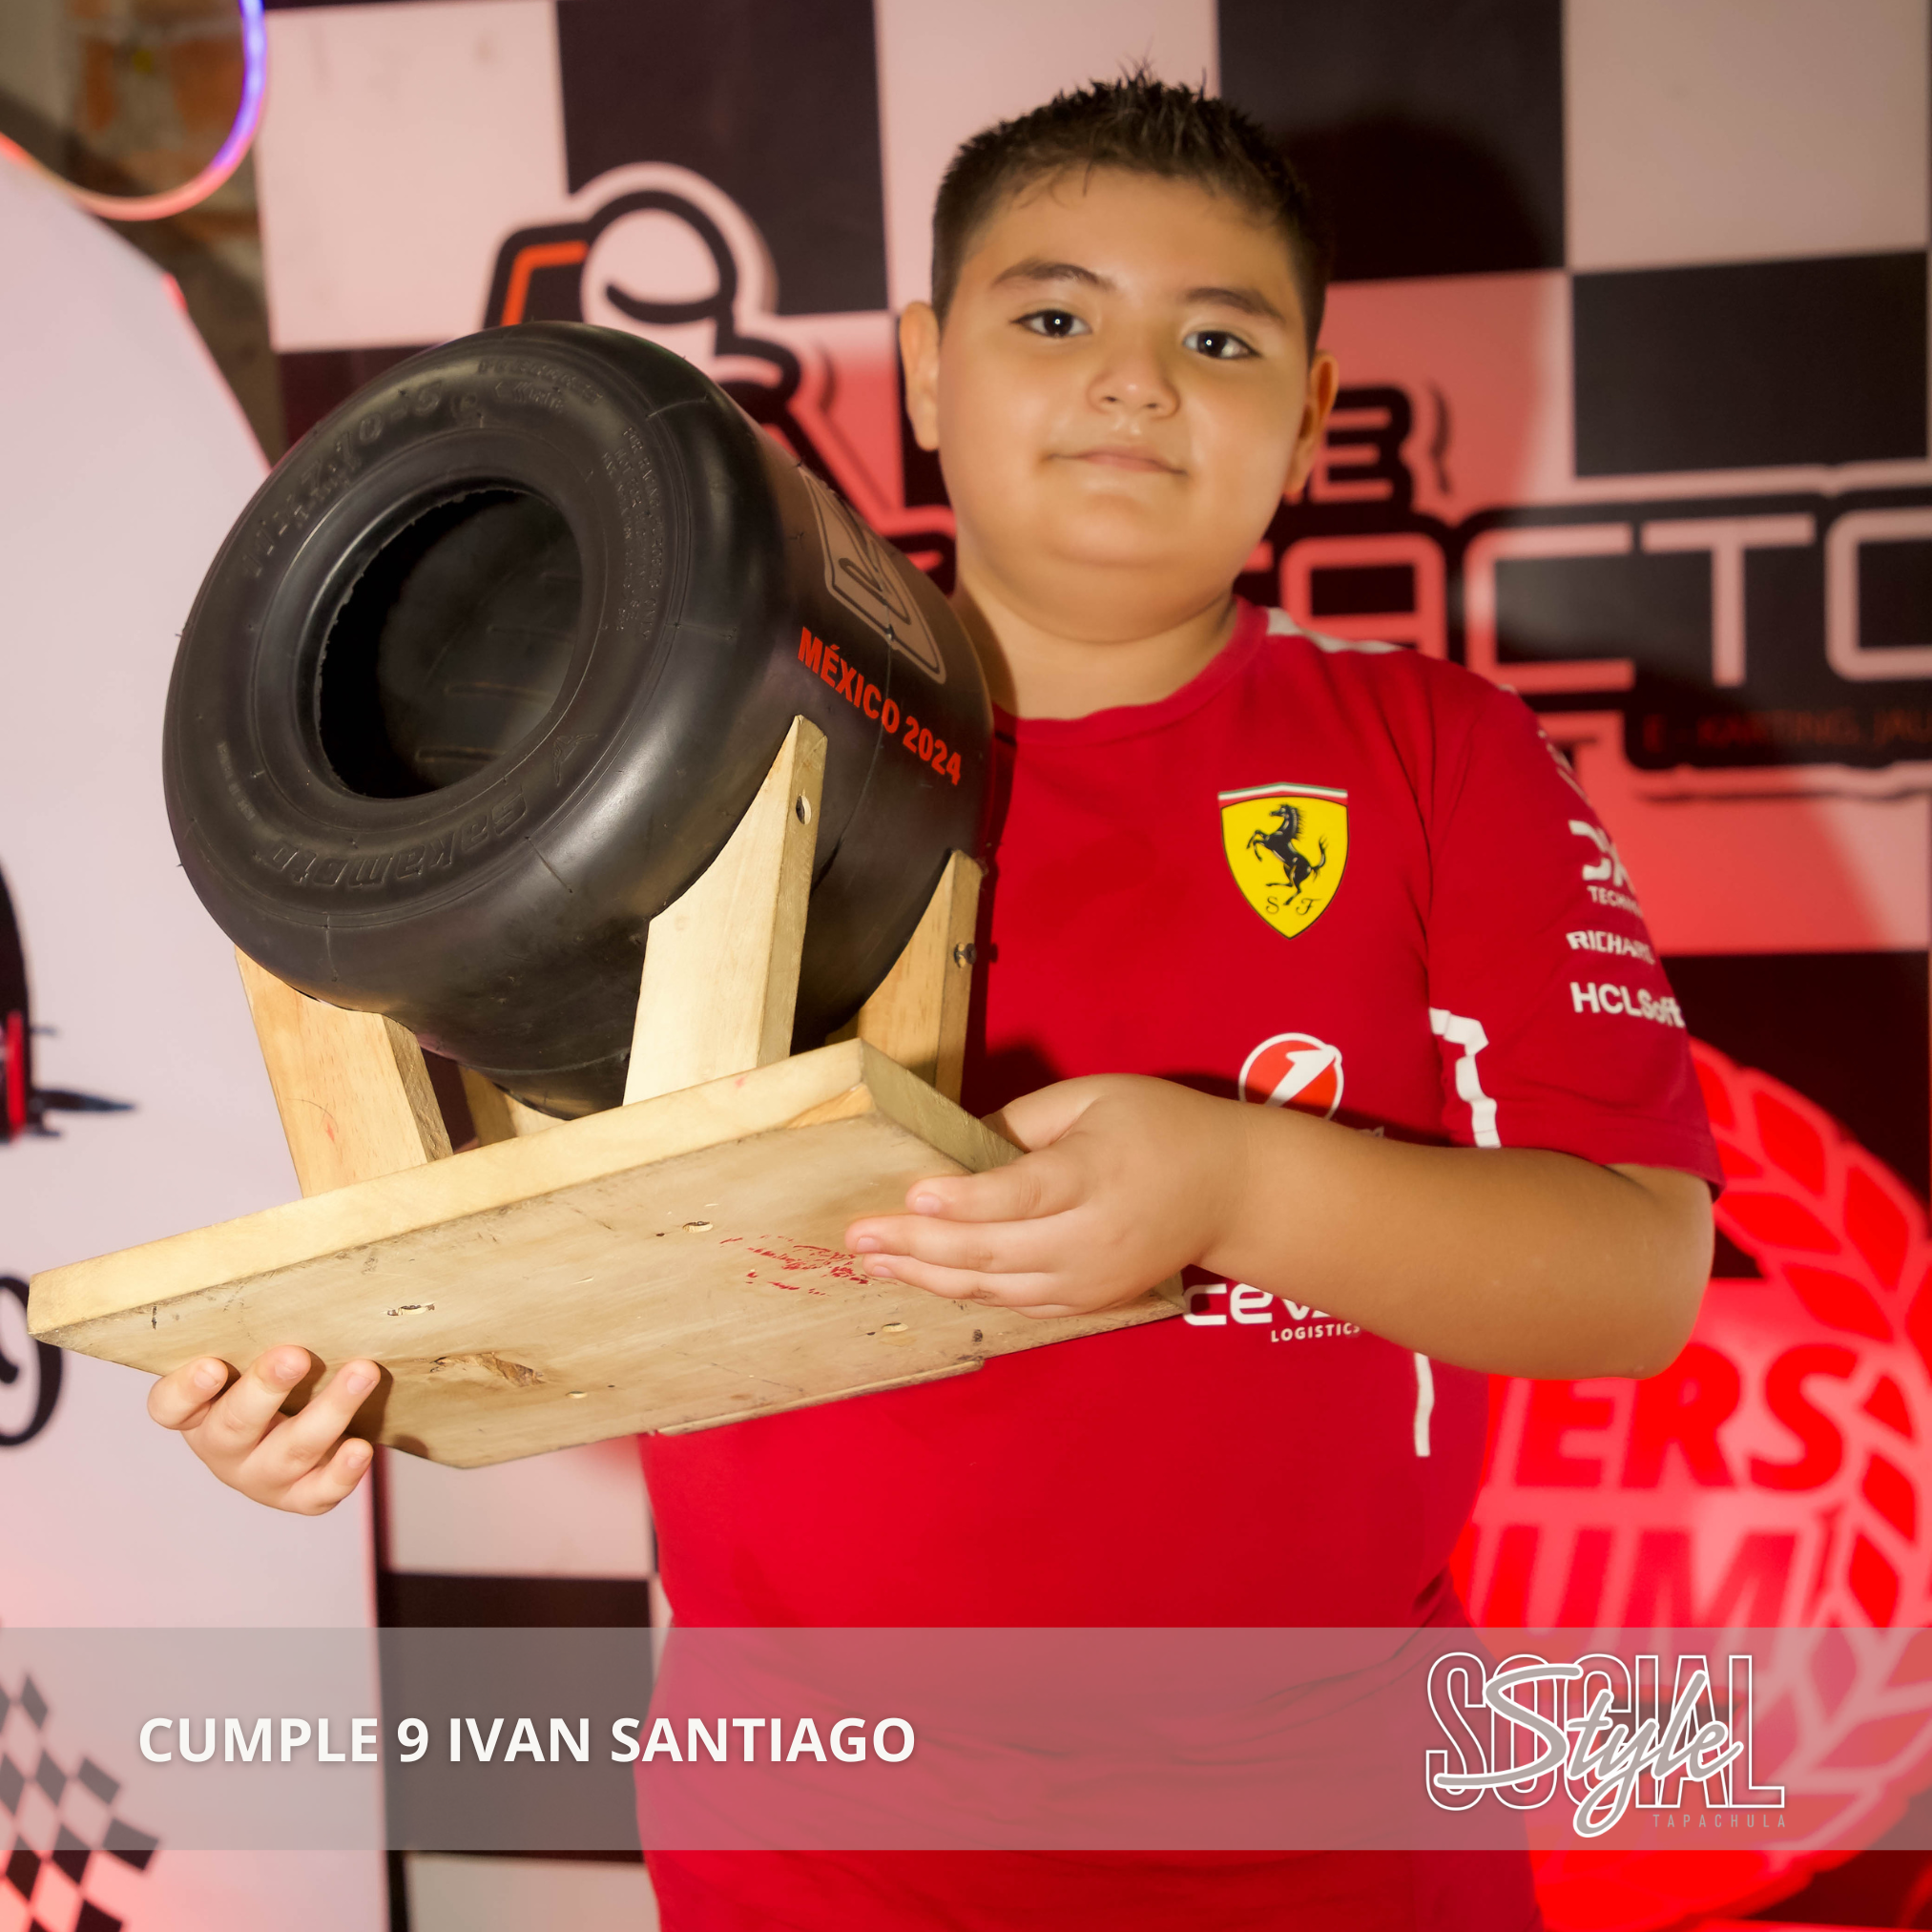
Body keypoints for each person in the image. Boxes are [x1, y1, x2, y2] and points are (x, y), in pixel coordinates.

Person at [148, 74, 1718, 1931]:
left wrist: (1236, 1186)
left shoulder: (1440, 753)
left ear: (1311, 420)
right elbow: (519, 1237)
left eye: (1217, 340)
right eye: (1053, 318)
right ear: (920, 368)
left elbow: (1637, 1278)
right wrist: (338, 1389)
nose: (1134, 383)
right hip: (825, 1851)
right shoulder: (686, 742)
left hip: (1337, 1835)